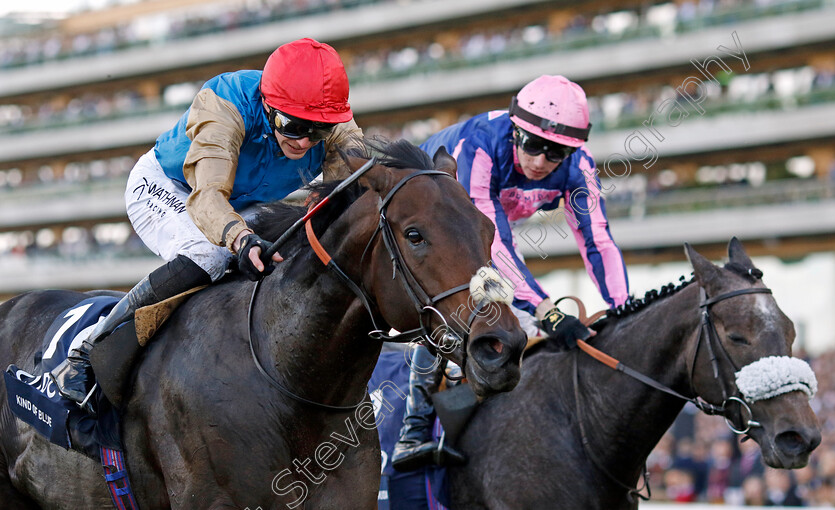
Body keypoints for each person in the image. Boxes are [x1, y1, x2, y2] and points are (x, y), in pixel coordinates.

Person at [49, 38, 363, 413]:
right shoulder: (225, 104)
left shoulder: (335, 123)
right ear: (267, 103)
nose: (305, 141)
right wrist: (241, 240)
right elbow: (208, 196)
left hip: (241, 204)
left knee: (287, 251)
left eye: (318, 131)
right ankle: (86, 351)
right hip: (170, 187)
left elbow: (348, 200)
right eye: (292, 125)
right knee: (211, 253)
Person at [390, 74, 629, 471]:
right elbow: (495, 249)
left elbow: (598, 240)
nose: (541, 161)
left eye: (556, 153)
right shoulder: (480, 145)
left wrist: (623, 308)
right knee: (460, 301)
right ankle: (414, 429)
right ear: (516, 131)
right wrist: (547, 311)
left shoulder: (579, 167)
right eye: (533, 145)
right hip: (431, 212)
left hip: (480, 225)